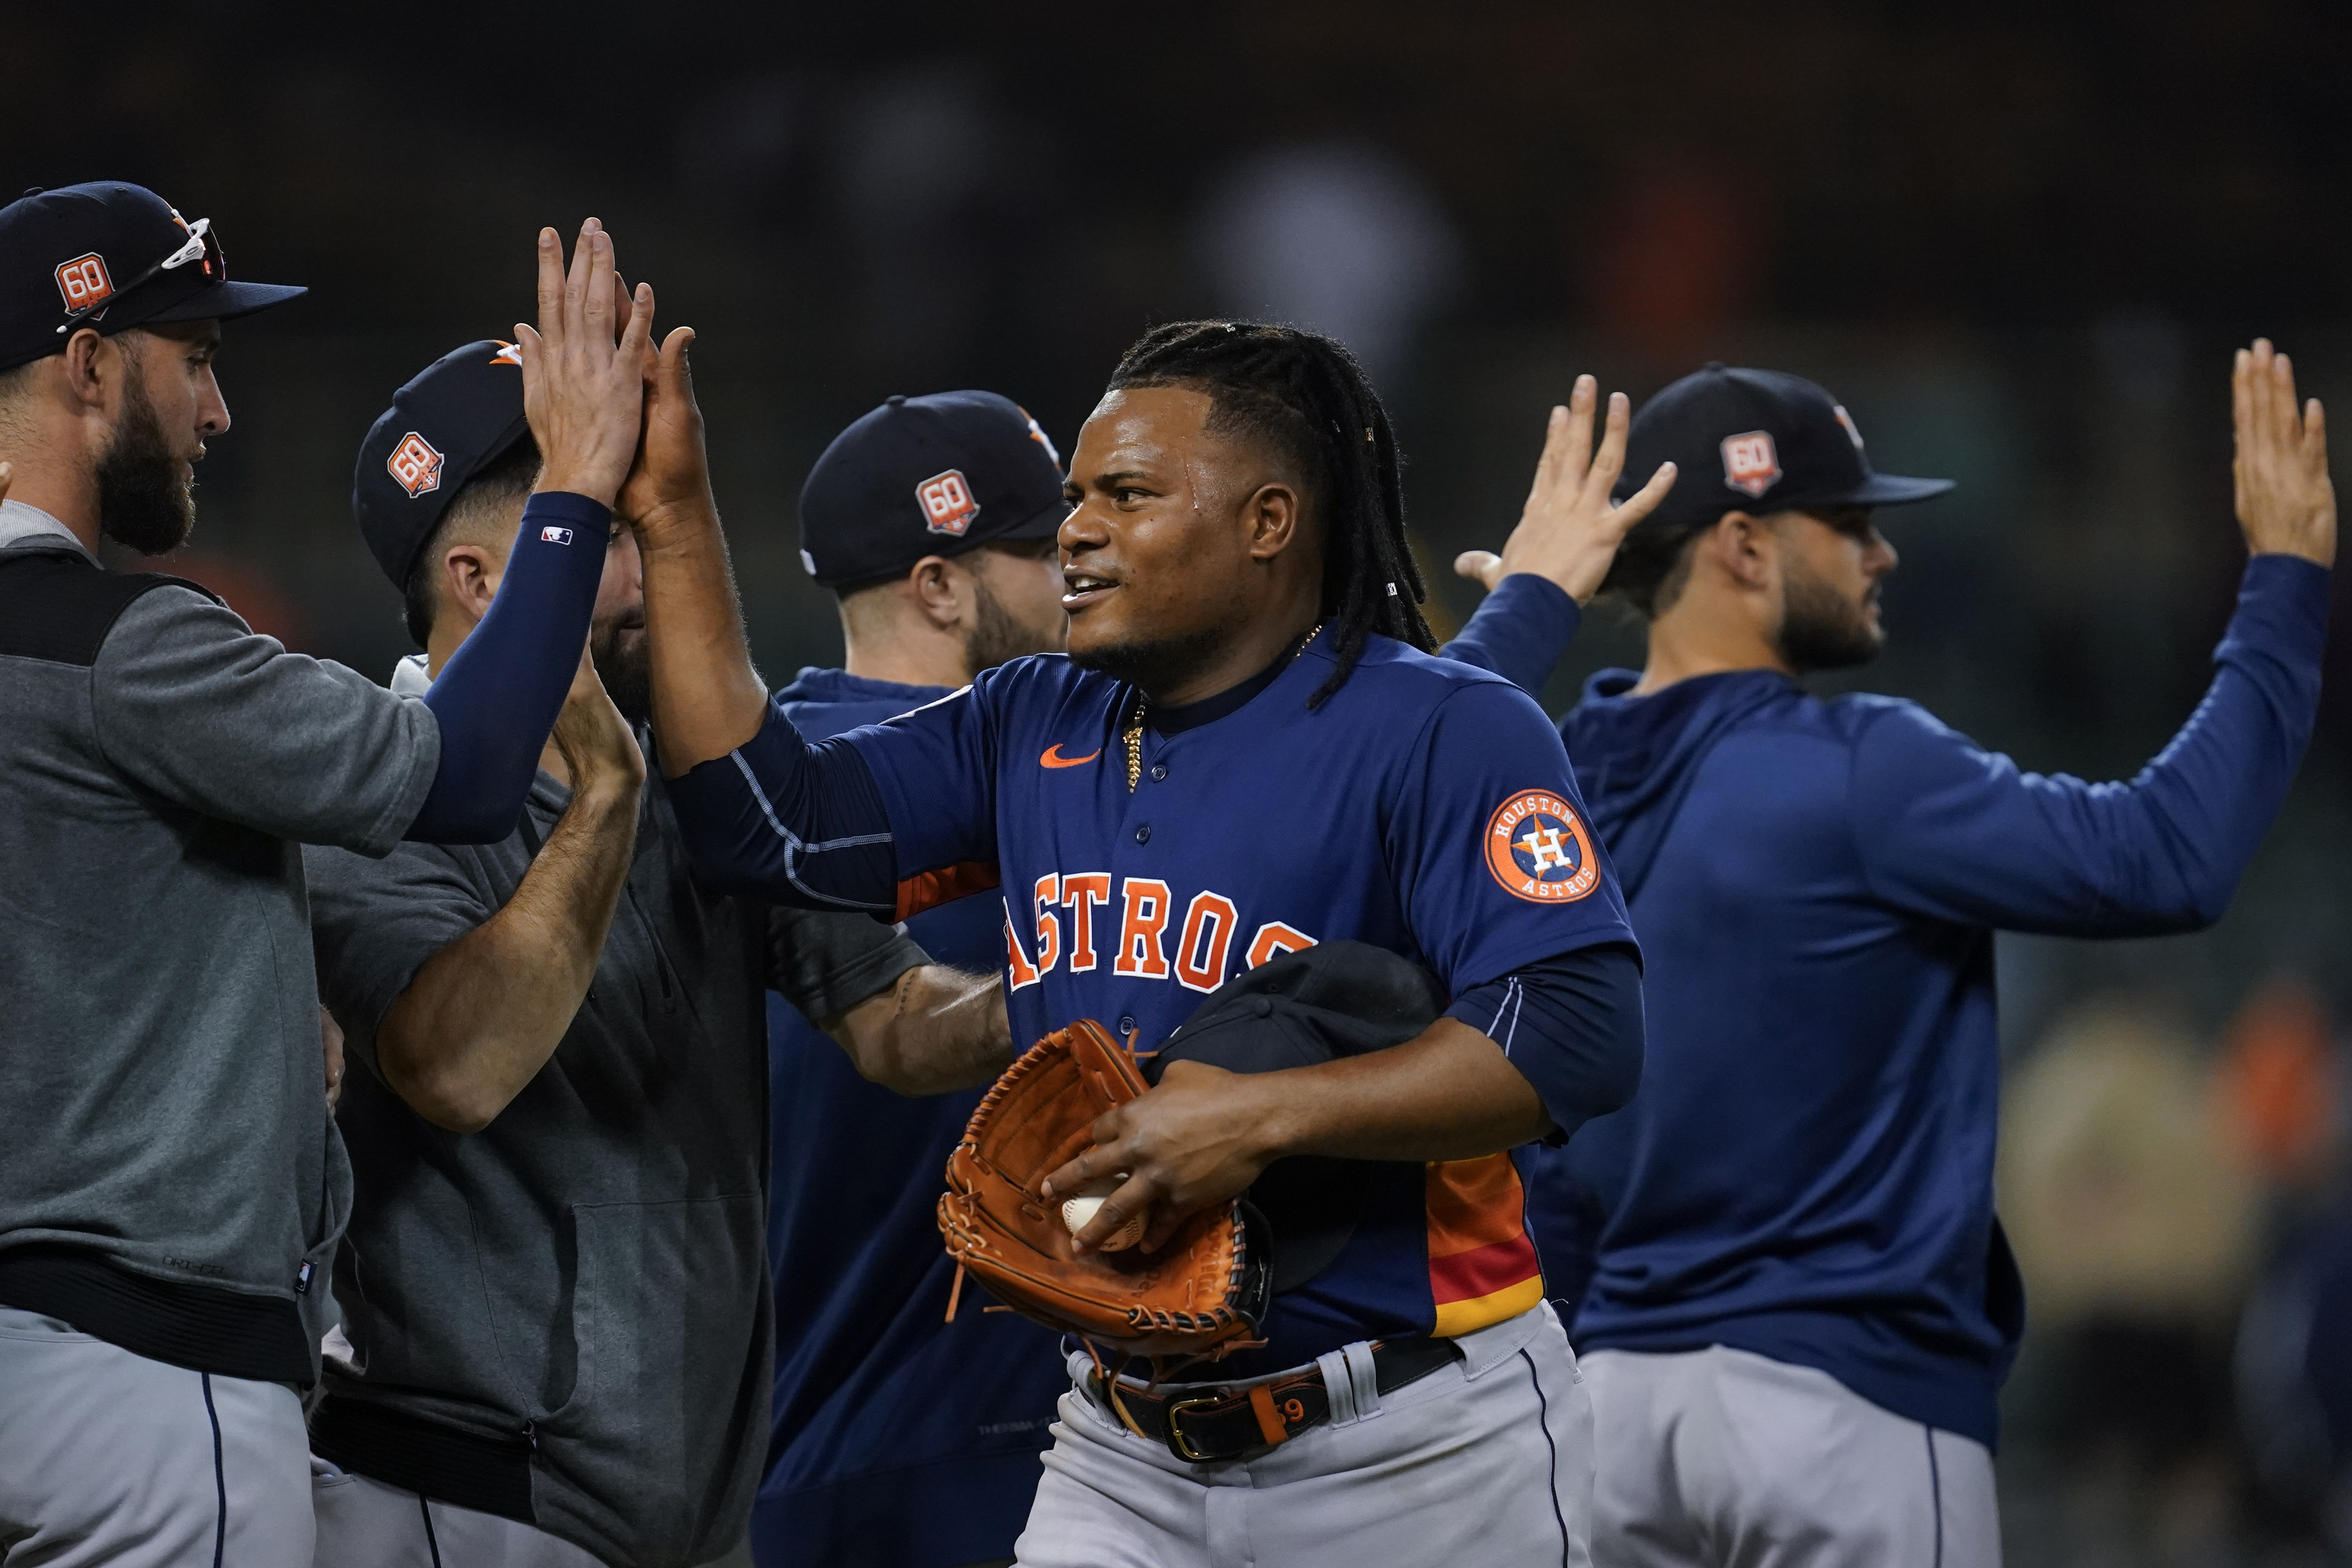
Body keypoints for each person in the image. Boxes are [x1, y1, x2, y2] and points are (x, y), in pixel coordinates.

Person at [631, 318, 1675, 1567]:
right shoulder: (1031, 713)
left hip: (1410, 1439)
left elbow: (1579, 1032)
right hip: (1120, 1448)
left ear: (1269, 521)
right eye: (1074, 499)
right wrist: (677, 509)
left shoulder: (1450, 726)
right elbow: (774, 831)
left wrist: (1259, 1118)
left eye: (1126, 495)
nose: (1076, 527)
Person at [1507, 349, 2333, 1565]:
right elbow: (2166, 856)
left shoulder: (1555, 803)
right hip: (1836, 1402)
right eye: (1846, 521)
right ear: (1742, 546)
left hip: (1616, 1412)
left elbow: (1542, 1152)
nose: (1881, 552)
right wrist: (2284, 591)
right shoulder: (1857, 764)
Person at [0, 185, 649, 1565]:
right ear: (92, 362)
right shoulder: (126, 645)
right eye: (198, 360)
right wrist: (578, 487)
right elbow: (466, 774)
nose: (218, 416)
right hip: (144, 1370)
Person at [303, 340, 1014, 1568]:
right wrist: (604, 797)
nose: (654, 569)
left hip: (695, 1513)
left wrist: (1071, 995)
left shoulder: (703, 786)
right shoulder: (364, 785)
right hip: (459, 1497)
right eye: (613, 528)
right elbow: (460, 1063)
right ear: (486, 579)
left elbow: (898, 1022)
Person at [755, 390, 1076, 1568]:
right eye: (1042, 551)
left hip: (780, 1459)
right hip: (968, 1452)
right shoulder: (1030, 795)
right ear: (939, 586)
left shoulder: (756, 793)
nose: (1076, 576)